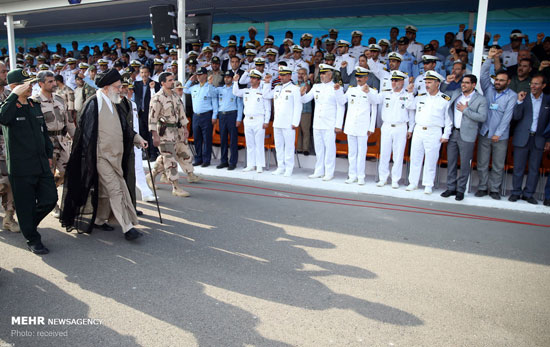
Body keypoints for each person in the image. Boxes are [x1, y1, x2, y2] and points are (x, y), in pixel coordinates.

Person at [61, 69, 148, 240]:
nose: (120, 89)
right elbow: (85, 133)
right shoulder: (94, 103)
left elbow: (124, 129)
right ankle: (127, 227)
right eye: (118, 86)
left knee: (104, 192)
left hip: (115, 157)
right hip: (100, 157)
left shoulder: (115, 102)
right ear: (107, 87)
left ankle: (99, 220)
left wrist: (138, 139)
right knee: (116, 190)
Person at [0, 69, 57, 254]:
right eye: (26, 83)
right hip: (21, 167)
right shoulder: (8, 107)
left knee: (50, 199)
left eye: (31, 83)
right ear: (14, 86)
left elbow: (43, 132)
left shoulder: (33, 104)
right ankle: (33, 239)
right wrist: (13, 96)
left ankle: (28, 225)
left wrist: (49, 154)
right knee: (25, 204)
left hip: (40, 163)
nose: (31, 86)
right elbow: (2, 118)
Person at [475, 47, 517, 200]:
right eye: (497, 80)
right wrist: (489, 59)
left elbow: (508, 116)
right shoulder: (489, 89)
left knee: (498, 165)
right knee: (482, 163)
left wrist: (498, 133)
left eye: (501, 80)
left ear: (508, 82)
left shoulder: (511, 96)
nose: (498, 82)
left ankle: (494, 189)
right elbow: (483, 75)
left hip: (500, 136)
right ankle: (482, 187)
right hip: (485, 132)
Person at [34, 71, 76, 218]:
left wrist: (76, 139)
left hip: (62, 141)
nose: (53, 84)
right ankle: (53, 204)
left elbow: (69, 122)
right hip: (46, 143)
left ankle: (47, 194)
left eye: (54, 81)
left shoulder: (59, 99)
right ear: (41, 83)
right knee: (48, 174)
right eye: (49, 82)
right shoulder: (34, 102)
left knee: (66, 172)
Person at [440, 75, 488, 201]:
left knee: (465, 164)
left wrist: (466, 110)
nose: (463, 85)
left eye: (467, 83)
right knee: (451, 162)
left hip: (468, 135)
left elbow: (482, 117)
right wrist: (446, 82)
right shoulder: (457, 93)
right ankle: (451, 187)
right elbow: (443, 92)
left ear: (473, 85)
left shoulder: (480, 99)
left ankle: (460, 189)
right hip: (454, 132)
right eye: (462, 82)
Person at [406, 71, 452, 194]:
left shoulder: (444, 99)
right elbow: (409, 105)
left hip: (434, 131)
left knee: (431, 159)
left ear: (437, 83)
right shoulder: (420, 96)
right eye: (426, 82)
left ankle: (428, 184)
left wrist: (446, 134)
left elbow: (448, 119)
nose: (427, 85)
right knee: (415, 157)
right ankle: (413, 182)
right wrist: (410, 93)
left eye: (430, 82)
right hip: (419, 129)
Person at [148, 72, 192, 197]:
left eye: (173, 80)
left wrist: (185, 128)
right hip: (164, 133)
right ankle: (176, 187)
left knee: (166, 157)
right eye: (170, 80)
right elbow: (152, 118)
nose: (173, 82)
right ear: (162, 83)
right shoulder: (157, 98)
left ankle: (150, 176)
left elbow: (182, 114)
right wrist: (154, 135)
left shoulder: (175, 96)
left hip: (176, 132)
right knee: (170, 160)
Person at [300, 64, 346, 181]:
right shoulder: (316, 86)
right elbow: (306, 100)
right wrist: (302, 94)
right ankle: (319, 171)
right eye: (321, 73)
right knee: (319, 149)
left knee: (330, 149)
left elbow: (341, 106)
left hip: (330, 123)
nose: (321, 75)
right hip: (317, 123)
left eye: (324, 73)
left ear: (330, 75)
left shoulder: (336, 88)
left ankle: (329, 172)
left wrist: (338, 125)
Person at [509, 75, 550, 204]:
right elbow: (516, 116)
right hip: (522, 137)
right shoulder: (523, 97)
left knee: (534, 168)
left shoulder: (548, 100)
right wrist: (519, 102)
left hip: (539, 138)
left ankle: (528, 194)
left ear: (543, 86)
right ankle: (516, 192)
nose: (533, 86)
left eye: (537, 84)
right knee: (518, 167)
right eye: (532, 83)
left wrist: (548, 140)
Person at [375, 70, 415, 188]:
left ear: (402, 81)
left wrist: (410, 128)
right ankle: (383, 178)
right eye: (392, 80)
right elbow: (375, 99)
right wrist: (368, 92)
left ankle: (395, 180)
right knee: (385, 153)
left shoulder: (407, 94)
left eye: (396, 80)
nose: (393, 82)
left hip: (401, 127)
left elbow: (411, 109)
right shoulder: (386, 93)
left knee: (398, 155)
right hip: (387, 125)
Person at [263, 66, 302, 176]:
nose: (282, 77)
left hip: (289, 123)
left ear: (289, 76)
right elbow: (265, 95)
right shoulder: (277, 88)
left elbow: (298, 106)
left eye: (284, 75)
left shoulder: (295, 89)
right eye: (281, 75)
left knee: (289, 147)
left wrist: (295, 122)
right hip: (277, 122)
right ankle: (280, 167)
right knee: (279, 146)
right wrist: (266, 83)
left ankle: (289, 168)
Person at [342, 67, 379, 185]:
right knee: (352, 153)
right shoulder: (351, 90)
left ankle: (361, 176)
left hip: (363, 126)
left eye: (361, 77)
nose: (359, 79)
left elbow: (374, 108)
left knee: (362, 152)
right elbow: (342, 101)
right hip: (351, 124)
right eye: (357, 76)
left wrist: (371, 127)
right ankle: (352, 175)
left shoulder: (372, 91)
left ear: (366, 78)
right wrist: (337, 91)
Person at [232, 69, 271, 173]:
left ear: (259, 80)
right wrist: (235, 82)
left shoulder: (263, 92)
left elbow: (268, 107)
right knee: (249, 143)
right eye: (251, 77)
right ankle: (251, 164)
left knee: (259, 143)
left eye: (254, 78)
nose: (251, 79)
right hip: (248, 119)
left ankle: (259, 165)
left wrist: (266, 120)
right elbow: (235, 92)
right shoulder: (246, 91)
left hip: (259, 119)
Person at [183, 67, 218, 167]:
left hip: (206, 115)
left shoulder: (210, 87)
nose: (198, 76)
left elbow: (214, 100)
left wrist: (214, 115)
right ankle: (198, 158)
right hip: (196, 116)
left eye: (200, 74)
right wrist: (190, 80)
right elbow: (185, 90)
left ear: (205, 75)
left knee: (207, 139)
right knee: (197, 138)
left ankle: (206, 160)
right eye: (197, 75)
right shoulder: (194, 87)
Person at [0, 62, 20, 233]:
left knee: (10, 182)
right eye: (3, 71)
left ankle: (8, 217)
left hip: (8, 147)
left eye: (6, 71)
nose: (5, 74)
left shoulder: (9, 95)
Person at [213, 71, 243, 170]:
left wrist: (239, 118)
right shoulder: (219, 89)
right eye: (225, 77)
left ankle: (233, 162)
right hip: (222, 115)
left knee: (233, 140)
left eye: (229, 77)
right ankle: (224, 161)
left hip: (232, 114)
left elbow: (240, 105)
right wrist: (209, 84)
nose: (226, 79)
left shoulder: (235, 89)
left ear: (232, 78)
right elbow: (210, 93)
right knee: (223, 139)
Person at [133, 66, 160, 160]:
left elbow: (156, 98)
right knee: (143, 134)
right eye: (142, 72)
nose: (144, 74)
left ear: (149, 73)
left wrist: (152, 88)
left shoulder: (155, 84)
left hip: (150, 113)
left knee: (151, 134)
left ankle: (153, 154)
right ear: (140, 74)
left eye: (145, 72)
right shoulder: (136, 84)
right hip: (141, 113)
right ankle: (146, 153)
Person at [296, 68, 312, 155]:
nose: (300, 75)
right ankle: (298, 148)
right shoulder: (294, 84)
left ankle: (306, 148)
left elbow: (308, 90)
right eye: (299, 73)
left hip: (306, 110)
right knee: (298, 130)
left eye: (302, 74)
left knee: (305, 130)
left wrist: (306, 81)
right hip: (297, 110)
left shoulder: (308, 83)